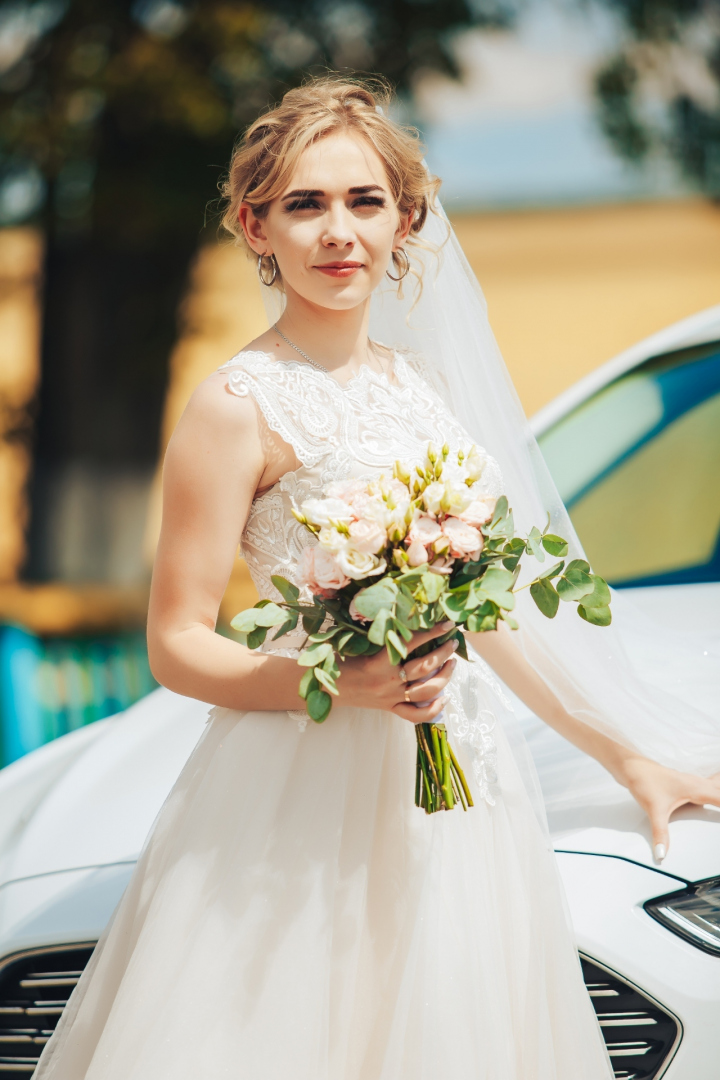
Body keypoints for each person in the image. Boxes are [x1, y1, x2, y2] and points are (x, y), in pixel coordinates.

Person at [35, 75, 720, 1080]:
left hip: (461, 774)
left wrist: (628, 756)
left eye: (364, 202)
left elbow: (487, 619)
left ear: (407, 219)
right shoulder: (236, 405)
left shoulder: (427, 388)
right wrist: (328, 684)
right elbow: (175, 643)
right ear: (252, 225)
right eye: (304, 205)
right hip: (299, 778)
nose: (338, 231)